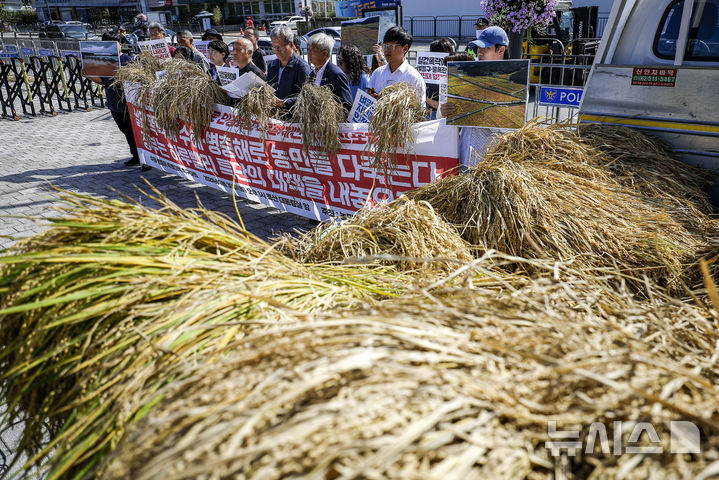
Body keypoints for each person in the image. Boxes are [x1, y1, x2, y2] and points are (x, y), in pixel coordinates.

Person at [87, 32, 150, 172]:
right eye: (106, 45)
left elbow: (141, 79)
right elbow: (103, 81)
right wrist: (89, 74)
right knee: (126, 131)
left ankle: (146, 159)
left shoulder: (129, 60)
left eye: (114, 43)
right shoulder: (104, 62)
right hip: (114, 102)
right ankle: (136, 156)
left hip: (130, 103)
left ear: (120, 44)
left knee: (137, 131)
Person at [367, 26, 425, 105]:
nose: (387, 50)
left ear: (405, 48)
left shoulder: (413, 77)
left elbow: (419, 110)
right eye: (385, 46)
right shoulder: (377, 73)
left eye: (391, 46)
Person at [265, 25, 311, 109]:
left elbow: (307, 96)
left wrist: (285, 103)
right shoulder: (272, 65)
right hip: (273, 115)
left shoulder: (301, 67)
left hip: (291, 118)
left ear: (291, 44)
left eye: (279, 47)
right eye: (274, 47)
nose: (277, 51)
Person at [307, 33, 353, 112]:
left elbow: (347, 106)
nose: (308, 53)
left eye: (312, 50)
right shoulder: (312, 75)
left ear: (324, 53)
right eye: (308, 49)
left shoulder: (336, 74)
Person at [425, 37, 455, 115]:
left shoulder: (454, 71)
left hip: (446, 114)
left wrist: (429, 101)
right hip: (428, 112)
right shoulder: (425, 71)